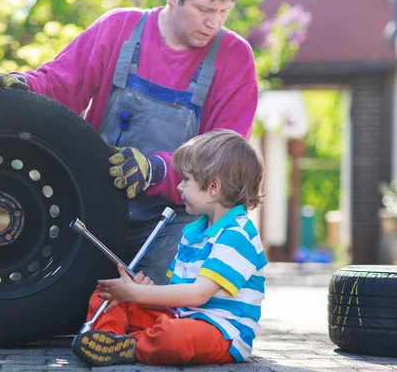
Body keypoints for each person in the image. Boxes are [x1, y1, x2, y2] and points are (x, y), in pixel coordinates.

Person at [0, 0, 258, 285]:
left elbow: (223, 156)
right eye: (204, 10)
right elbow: (60, 85)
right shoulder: (118, 29)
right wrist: (21, 87)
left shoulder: (235, 58)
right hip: (93, 205)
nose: (213, 23)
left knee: (154, 309)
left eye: (223, 12)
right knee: (52, 295)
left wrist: (156, 170)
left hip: (175, 220)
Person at [71, 129, 267, 366]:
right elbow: (176, 294)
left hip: (222, 333)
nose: (180, 188)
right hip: (180, 316)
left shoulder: (238, 235)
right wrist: (142, 289)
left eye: (186, 180)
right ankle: (108, 339)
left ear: (214, 187)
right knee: (109, 295)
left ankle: (133, 345)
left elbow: (198, 294)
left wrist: (138, 293)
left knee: (176, 336)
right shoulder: (193, 233)